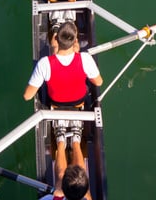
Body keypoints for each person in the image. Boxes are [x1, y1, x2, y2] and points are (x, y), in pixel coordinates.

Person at [24, 21, 100, 200]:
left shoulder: (45, 63)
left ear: (56, 39)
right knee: (82, 185)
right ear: (75, 42)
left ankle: (60, 141)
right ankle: (75, 140)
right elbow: (99, 82)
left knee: (62, 182)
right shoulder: (85, 59)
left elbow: (27, 96)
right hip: (79, 103)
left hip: (56, 105)